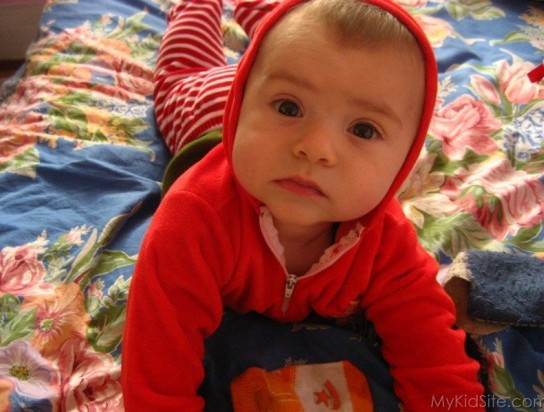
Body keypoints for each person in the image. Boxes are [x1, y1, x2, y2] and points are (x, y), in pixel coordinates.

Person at [121, 0, 485, 410]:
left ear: (405, 160)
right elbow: (156, 381)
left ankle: (264, 20)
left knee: (305, 53)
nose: (315, 148)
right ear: (243, 107)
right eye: (288, 107)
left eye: (363, 129)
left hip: (262, 92)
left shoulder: (383, 241)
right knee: (182, 71)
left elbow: (433, 355)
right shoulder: (191, 224)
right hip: (204, 114)